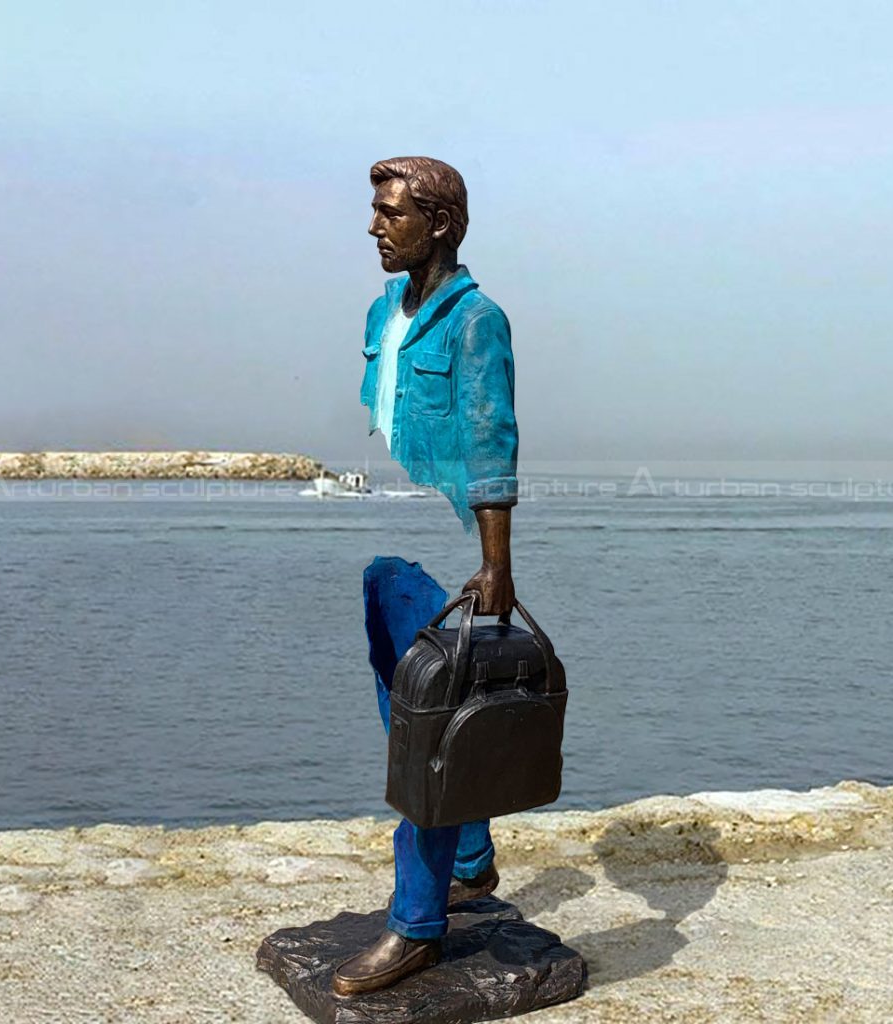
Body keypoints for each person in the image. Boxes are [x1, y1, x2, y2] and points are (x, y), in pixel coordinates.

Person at [331, 156, 519, 996]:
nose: (375, 226)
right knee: (406, 710)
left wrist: (495, 565)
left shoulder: (477, 321)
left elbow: (491, 439)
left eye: (390, 213)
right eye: (375, 211)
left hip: (451, 558)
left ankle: (416, 926)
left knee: (426, 737)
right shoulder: (383, 308)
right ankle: (470, 856)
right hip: (383, 551)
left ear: (438, 223)